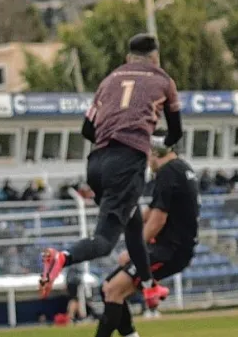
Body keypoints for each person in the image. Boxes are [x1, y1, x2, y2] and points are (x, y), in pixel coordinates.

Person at [39, 33, 182, 300]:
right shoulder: (163, 81)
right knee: (104, 242)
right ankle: (62, 257)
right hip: (127, 163)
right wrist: (152, 139)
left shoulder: (108, 81)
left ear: (128, 58)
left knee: (133, 224)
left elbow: (86, 129)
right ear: (156, 57)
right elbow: (176, 133)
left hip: (96, 163)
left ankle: (149, 286)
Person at [58, 131, 199, 337]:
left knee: (113, 290)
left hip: (168, 249)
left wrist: (136, 249)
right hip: (176, 248)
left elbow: (158, 220)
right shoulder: (181, 169)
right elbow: (153, 212)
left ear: (156, 151)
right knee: (110, 289)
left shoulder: (167, 174)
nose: (145, 159)